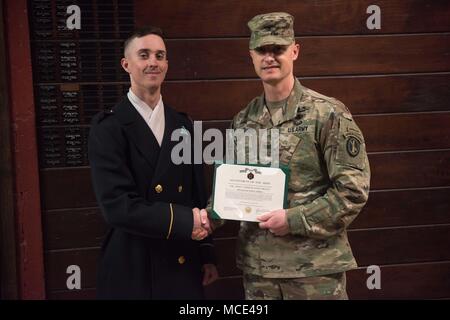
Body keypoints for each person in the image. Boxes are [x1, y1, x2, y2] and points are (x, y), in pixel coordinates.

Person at [205, 12, 370, 300]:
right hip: (259, 273)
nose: (269, 57)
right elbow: (232, 190)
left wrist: (294, 219)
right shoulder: (244, 120)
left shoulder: (327, 113)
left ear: (294, 51)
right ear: (251, 56)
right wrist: (206, 218)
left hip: (313, 273)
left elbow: (352, 191)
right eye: (261, 50)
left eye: (278, 49)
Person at [88, 26, 218, 299]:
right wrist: (186, 222)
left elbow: (197, 194)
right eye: (144, 55)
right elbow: (117, 206)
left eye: (160, 56)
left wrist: (206, 253)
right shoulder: (108, 127)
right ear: (127, 64)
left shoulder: (184, 125)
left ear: (167, 64)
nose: (153, 62)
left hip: (182, 260)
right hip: (132, 263)